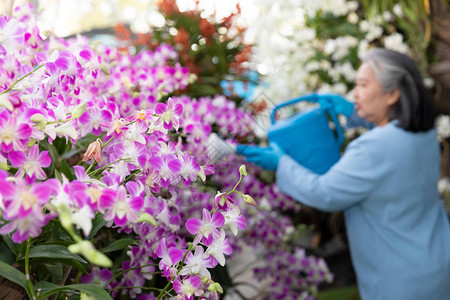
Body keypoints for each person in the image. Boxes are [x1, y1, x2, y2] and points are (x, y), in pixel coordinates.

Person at [237, 48, 450, 300]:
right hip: (436, 259)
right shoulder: (422, 134)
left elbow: (324, 192)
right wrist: (352, 112)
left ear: (392, 94)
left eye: (362, 85)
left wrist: (280, 163)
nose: (355, 93)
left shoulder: (372, 148)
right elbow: (392, 136)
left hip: (400, 279)